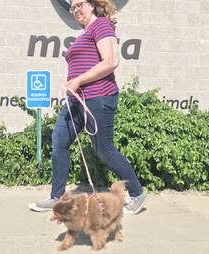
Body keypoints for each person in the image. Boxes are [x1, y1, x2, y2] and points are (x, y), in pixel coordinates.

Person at [29, 0, 146, 214]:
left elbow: (110, 61)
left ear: (92, 4)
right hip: (77, 99)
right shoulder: (84, 34)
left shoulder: (101, 25)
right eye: (72, 8)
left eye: (79, 4)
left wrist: (78, 80)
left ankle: (137, 193)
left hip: (99, 97)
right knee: (59, 140)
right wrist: (70, 82)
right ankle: (57, 196)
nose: (75, 10)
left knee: (105, 151)